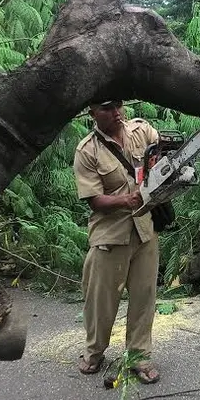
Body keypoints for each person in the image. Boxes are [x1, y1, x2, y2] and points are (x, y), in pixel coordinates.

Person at [73, 99, 161, 384]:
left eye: (118, 105)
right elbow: (94, 200)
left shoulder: (142, 132)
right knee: (101, 301)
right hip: (110, 235)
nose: (116, 112)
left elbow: (160, 156)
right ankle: (94, 351)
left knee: (144, 298)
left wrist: (161, 168)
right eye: (107, 108)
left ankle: (139, 355)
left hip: (144, 231)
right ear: (93, 113)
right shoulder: (87, 151)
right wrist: (127, 199)